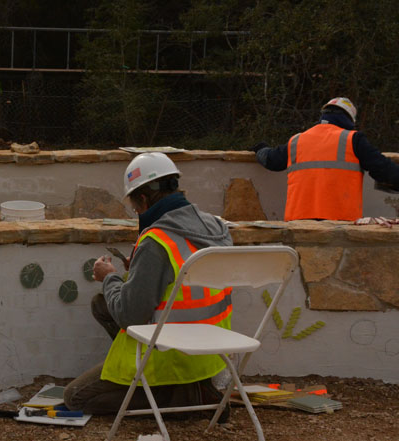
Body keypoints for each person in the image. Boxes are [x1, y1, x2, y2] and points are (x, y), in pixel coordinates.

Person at [64, 152, 232, 416]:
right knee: (101, 304)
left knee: (76, 398)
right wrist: (142, 270)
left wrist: (109, 276)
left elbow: (130, 316)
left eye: (135, 208)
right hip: (212, 351)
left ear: (142, 199)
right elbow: (187, 284)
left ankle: (183, 396)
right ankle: (195, 387)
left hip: (170, 352)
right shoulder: (216, 227)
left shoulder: (157, 240)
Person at [253, 97, 399, 221]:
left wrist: (260, 148)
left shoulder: (297, 140)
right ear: (349, 119)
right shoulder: (353, 139)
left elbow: (270, 160)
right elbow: (383, 169)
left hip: (298, 223)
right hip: (340, 224)